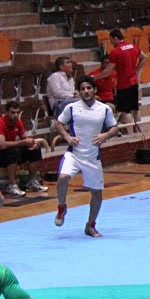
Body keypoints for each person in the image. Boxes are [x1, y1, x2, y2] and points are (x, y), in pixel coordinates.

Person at [54, 75, 119, 237]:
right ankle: (62, 207)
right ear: (79, 91)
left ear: (95, 90)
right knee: (62, 177)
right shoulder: (71, 108)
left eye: (89, 88)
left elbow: (114, 127)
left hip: (92, 157)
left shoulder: (104, 109)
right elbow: (59, 123)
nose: (86, 91)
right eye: (82, 89)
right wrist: (67, 137)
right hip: (74, 154)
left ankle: (90, 225)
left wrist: (105, 135)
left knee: (96, 193)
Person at [0, 100, 46, 193]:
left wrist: (32, 143)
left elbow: (24, 138)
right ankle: (12, 185)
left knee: (34, 149)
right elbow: (2, 145)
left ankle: (32, 181)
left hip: (9, 153)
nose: (16, 115)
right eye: (13, 112)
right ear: (6, 112)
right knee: (13, 151)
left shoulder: (18, 122)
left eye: (17, 112)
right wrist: (24, 142)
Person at [96, 29, 144, 132]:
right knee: (135, 109)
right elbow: (144, 57)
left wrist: (95, 77)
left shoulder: (115, 51)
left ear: (115, 38)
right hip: (134, 82)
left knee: (126, 111)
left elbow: (108, 71)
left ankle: (130, 135)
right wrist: (137, 69)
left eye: (111, 40)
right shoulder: (133, 46)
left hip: (123, 84)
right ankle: (141, 132)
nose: (111, 43)